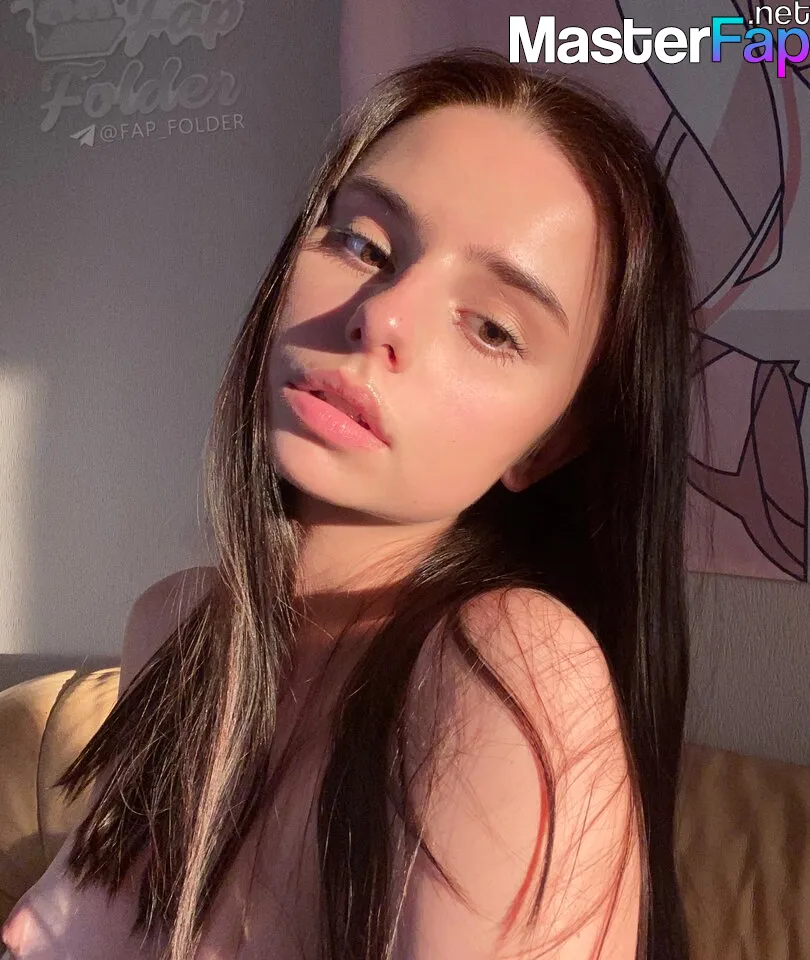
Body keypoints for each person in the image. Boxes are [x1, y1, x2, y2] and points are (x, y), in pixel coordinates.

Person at [1, 47, 706, 960]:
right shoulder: (175, 627)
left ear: (551, 444)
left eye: (493, 327)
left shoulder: (510, 670)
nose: (383, 316)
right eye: (364, 245)